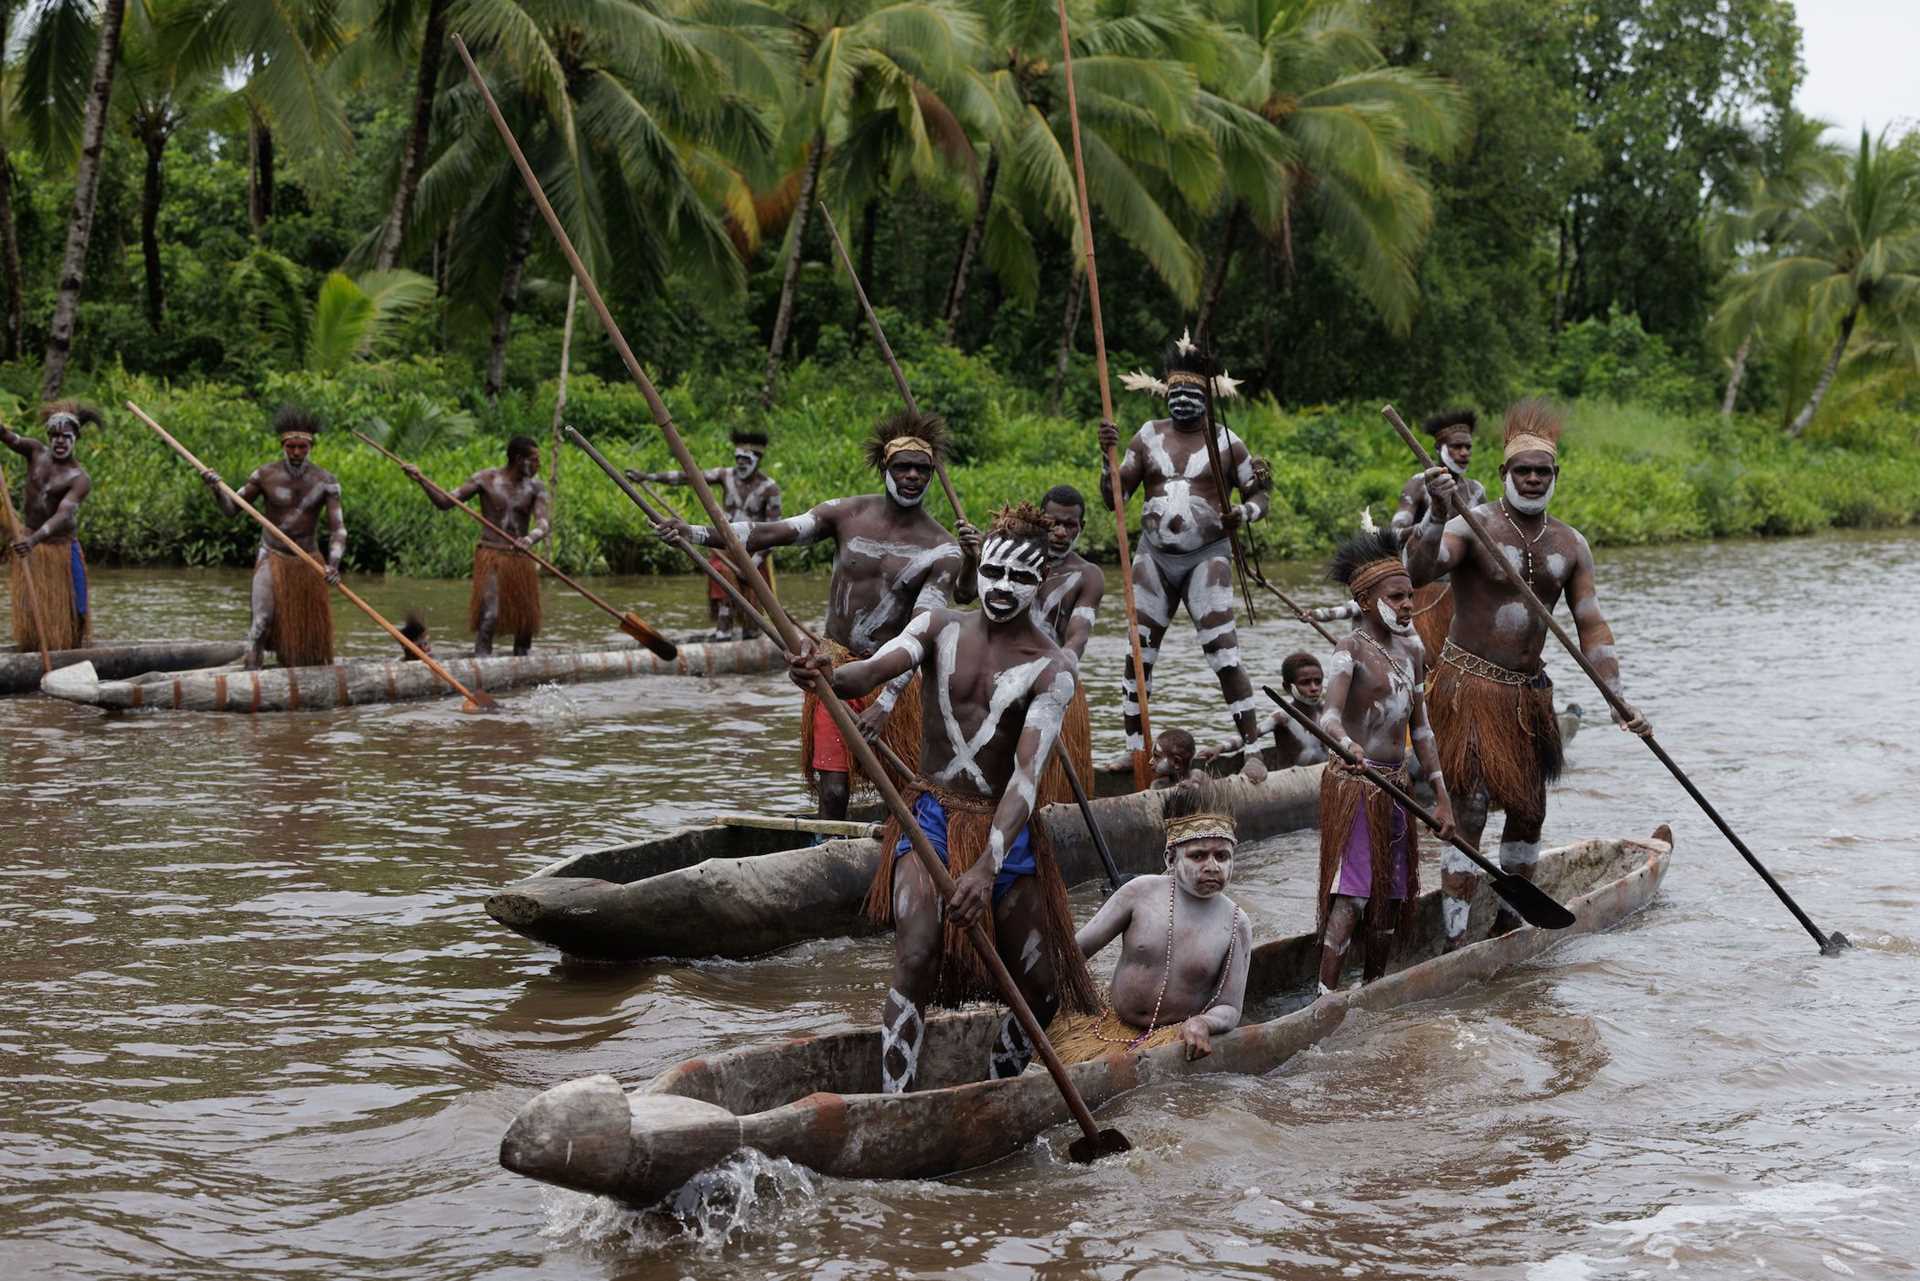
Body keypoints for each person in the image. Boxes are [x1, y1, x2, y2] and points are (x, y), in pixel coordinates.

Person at [788, 503, 1095, 1092]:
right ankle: (896, 1100)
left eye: (1020, 579)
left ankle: (993, 1090)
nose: (1003, 589)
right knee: (917, 953)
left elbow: (1026, 778)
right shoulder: (936, 627)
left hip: (1003, 830)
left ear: (1039, 584)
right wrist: (821, 671)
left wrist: (987, 865)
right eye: (994, 574)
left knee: (1041, 990)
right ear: (979, 568)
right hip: (928, 814)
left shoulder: (1052, 671)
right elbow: (871, 671)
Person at [1404, 400, 1649, 947]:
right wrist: (1438, 513)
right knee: (1466, 810)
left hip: (1527, 696)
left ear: (1555, 476)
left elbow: (1590, 624)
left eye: (1543, 471)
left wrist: (1616, 695)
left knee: (1529, 811)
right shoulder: (1474, 527)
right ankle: (1454, 936)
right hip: (1467, 687)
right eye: (1523, 471)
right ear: (1504, 475)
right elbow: (1418, 570)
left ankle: (1510, 925)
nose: (1533, 479)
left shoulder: (1570, 544)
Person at [661, 411, 964, 820]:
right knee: (833, 790)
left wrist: (888, 701)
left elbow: (923, 631)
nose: (912, 475)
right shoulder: (844, 515)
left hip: (892, 677)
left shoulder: (942, 550)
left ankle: (895, 857)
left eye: (922, 469)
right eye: (902, 467)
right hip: (833, 668)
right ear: (884, 469)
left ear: (931, 474)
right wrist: (695, 533)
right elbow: (769, 532)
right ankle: (827, 859)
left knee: (900, 789)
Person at [1102, 332, 1273, 758]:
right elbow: (1115, 500)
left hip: (1207, 557)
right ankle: (1136, 751)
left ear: (1208, 397)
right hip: (1153, 557)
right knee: (1139, 655)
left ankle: (1251, 750)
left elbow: (1259, 496)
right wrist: (1105, 459)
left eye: (1191, 393)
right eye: (1174, 392)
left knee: (1223, 653)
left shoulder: (1228, 442)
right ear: (1164, 393)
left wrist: (1243, 515)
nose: (1181, 400)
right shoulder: (1146, 436)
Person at [1315, 531, 1455, 990]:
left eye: (1410, 596)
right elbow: (1328, 717)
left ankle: (1373, 987)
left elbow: (1422, 730)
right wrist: (1346, 745)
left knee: (1390, 897)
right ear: (1365, 599)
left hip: (1398, 786)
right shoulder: (1348, 649)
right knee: (1353, 895)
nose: (1407, 605)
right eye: (1396, 597)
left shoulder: (1412, 651)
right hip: (1357, 782)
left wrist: (1442, 798)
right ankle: (1324, 994)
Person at [1051, 786, 1251, 1063]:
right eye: (1198, 856)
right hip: (1106, 1025)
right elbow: (1076, 952)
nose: (1212, 866)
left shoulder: (1236, 922)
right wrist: (1041, 990)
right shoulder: (1138, 893)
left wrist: (1203, 1023)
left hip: (1172, 1038)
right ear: (1171, 859)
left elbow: (1229, 1006)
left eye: (1222, 856)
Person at [200, 406, 344, 670]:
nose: (297, 453)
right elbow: (232, 509)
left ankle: (301, 683)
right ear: (283, 446)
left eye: (302, 447)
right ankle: (251, 679)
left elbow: (338, 530)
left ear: (310, 447)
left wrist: (333, 564)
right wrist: (216, 489)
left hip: (308, 562)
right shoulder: (264, 475)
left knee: (307, 636)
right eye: (291, 447)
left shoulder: (326, 481)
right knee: (261, 624)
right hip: (272, 555)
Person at [403, 435, 549, 656]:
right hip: (491, 556)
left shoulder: (536, 488)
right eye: (535, 460)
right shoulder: (485, 480)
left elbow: (543, 523)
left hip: (520, 559)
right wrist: (421, 479)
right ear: (519, 459)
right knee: (489, 615)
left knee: (525, 624)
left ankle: (522, 669)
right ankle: (482, 666)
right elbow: (445, 502)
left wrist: (529, 539)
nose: (539, 465)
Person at [627, 429, 780, 640]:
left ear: (757, 459)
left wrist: (754, 563)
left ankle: (751, 638)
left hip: (754, 550)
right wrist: (648, 477)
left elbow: (774, 532)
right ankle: (723, 633)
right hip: (725, 546)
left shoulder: (770, 488)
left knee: (752, 612)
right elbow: (689, 476)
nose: (741, 463)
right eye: (737, 458)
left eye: (746, 459)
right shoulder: (725, 475)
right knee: (724, 588)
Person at [2, 402, 98, 651]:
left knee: (77, 608)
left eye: (66, 436)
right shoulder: (34, 451)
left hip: (61, 549)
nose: (60, 442)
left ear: (76, 438)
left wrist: (33, 541)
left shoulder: (79, 478)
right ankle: (33, 649)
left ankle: (73, 651)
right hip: (30, 543)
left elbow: (64, 514)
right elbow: (9, 438)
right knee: (29, 606)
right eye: (54, 436)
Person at [1392, 409, 1487, 661]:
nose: (1464, 453)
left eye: (1468, 447)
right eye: (1457, 447)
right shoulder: (1419, 484)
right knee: (1428, 661)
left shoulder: (1476, 491)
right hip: (1426, 589)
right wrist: (1435, 520)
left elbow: (1487, 540)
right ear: (1439, 448)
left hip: (1464, 590)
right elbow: (1395, 533)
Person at [1032, 483, 1103, 806]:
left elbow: (1079, 634)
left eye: (1069, 525)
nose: (1060, 532)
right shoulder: (1013, 561)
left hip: (1058, 681)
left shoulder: (1088, 575)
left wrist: (1061, 668)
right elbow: (967, 597)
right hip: (1005, 678)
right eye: (1053, 523)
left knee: (1054, 790)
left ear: (1081, 527)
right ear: (1038, 520)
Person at [1262, 652, 1330, 769]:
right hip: (1292, 781)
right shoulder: (1282, 718)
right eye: (1305, 682)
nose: (1314, 688)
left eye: (1318, 682)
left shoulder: (1329, 712)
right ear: (1287, 687)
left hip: (1326, 775)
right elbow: (1250, 736)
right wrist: (1221, 748)